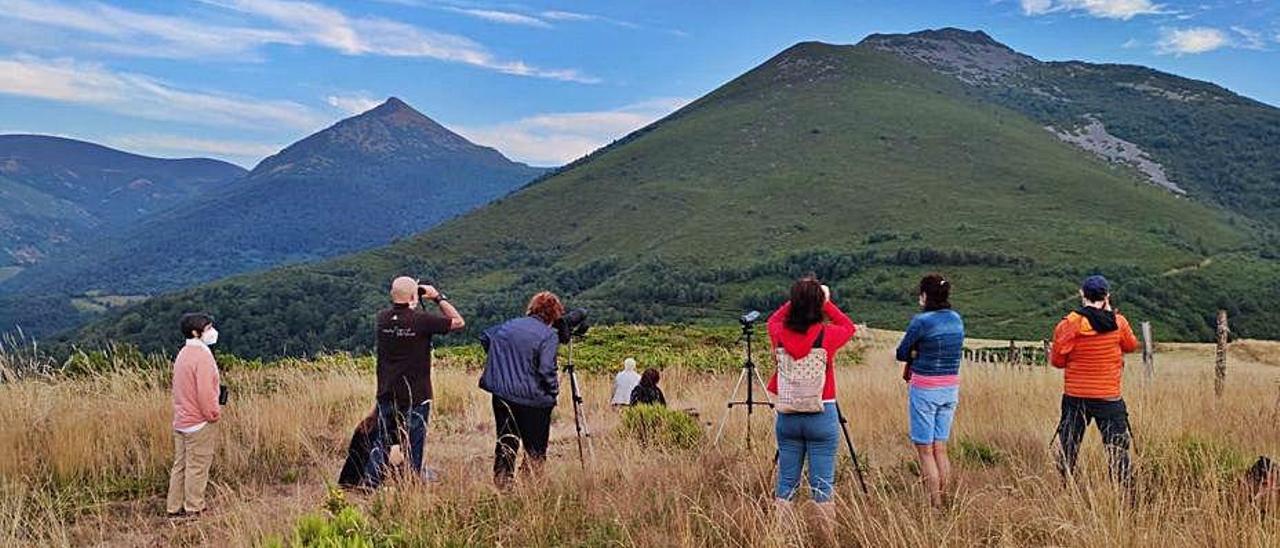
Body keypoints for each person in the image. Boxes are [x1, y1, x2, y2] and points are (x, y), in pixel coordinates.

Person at [766, 276, 856, 538]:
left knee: (786, 483)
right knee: (822, 484)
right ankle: (826, 539)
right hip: (822, 412)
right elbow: (848, 326)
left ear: (794, 304)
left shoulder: (779, 332)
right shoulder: (828, 335)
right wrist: (825, 301)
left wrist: (797, 298)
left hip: (788, 413)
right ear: (817, 305)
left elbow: (772, 319)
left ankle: (781, 537)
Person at [364, 276, 465, 488]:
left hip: (387, 391)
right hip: (416, 394)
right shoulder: (421, 321)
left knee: (381, 440)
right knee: (414, 441)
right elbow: (458, 321)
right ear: (412, 297)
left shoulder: (382, 319)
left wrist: (410, 297)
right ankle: (411, 480)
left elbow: (400, 316)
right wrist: (437, 297)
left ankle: (371, 481)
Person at [1050, 275, 1139, 488]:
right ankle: (1125, 494)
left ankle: (1068, 487)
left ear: (1082, 295)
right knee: (1117, 448)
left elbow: (1057, 361)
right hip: (1108, 396)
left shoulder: (1068, 324)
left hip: (1075, 395)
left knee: (1069, 445)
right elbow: (1131, 346)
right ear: (1107, 296)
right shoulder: (1119, 322)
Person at [478, 291, 563, 488]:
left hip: (502, 394)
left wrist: (501, 359)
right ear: (554, 314)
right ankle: (531, 486)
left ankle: (502, 484)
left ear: (532, 308)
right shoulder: (548, 335)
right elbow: (546, 368)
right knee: (535, 448)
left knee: (506, 441)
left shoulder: (508, 326)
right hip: (533, 400)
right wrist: (553, 390)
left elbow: (485, 337)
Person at [894, 273, 964, 508]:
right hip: (950, 388)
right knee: (940, 448)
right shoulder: (956, 319)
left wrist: (915, 353)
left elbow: (901, 353)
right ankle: (947, 500)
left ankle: (934, 505)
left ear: (925, 296)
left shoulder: (921, 322)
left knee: (925, 451)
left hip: (925, 389)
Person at [166, 313, 223, 518]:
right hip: (199, 422)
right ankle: (194, 507)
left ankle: (173, 507)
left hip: (181, 420)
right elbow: (205, 392)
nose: (212, 331)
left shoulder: (183, 354)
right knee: (198, 466)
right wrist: (213, 414)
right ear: (195, 332)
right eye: (207, 328)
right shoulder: (203, 357)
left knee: (180, 465)